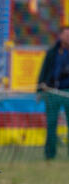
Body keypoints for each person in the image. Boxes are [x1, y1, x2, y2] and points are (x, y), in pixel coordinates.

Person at [38, 26, 69, 160]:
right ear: (60, 36)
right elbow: (44, 71)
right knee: (51, 125)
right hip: (51, 92)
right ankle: (49, 155)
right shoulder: (52, 52)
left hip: (67, 93)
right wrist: (40, 89)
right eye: (66, 35)